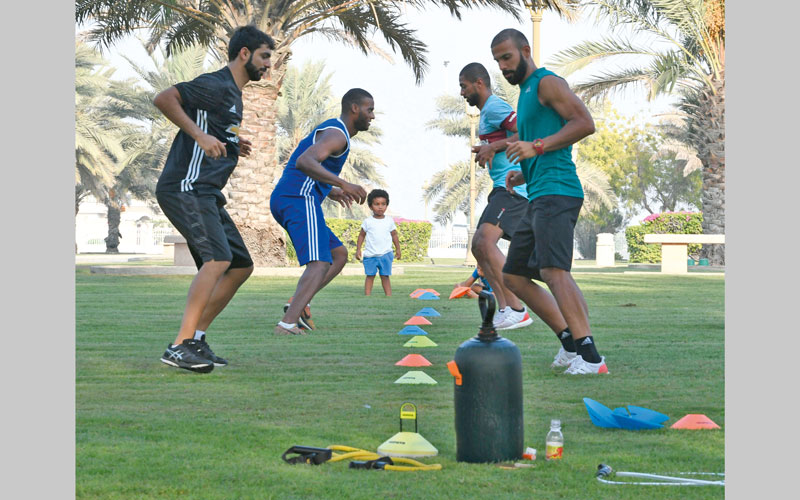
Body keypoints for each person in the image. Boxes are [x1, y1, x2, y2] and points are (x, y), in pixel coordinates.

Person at [155, 26, 274, 373]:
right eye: (265, 56)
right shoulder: (216, 84)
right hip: (186, 186)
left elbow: (215, 127)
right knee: (218, 259)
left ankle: (196, 339)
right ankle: (179, 346)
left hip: (207, 192)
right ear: (244, 53)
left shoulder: (233, 94)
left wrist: (234, 143)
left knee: (240, 265)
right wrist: (200, 136)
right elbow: (164, 98)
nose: (269, 65)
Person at [490, 28, 609, 374]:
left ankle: (590, 357)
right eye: (498, 61)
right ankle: (570, 343)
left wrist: (536, 147)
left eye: (507, 57)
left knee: (554, 271)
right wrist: (524, 172)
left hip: (558, 191)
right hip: (539, 192)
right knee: (513, 275)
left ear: (525, 51)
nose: (503, 66)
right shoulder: (525, 94)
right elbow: (540, 145)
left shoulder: (547, 83)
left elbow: (584, 123)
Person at [270, 89, 374, 335]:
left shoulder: (335, 131)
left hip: (290, 196)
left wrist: (329, 190)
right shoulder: (337, 135)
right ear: (355, 108)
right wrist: (343, 183)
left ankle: (299, 303)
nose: (372, 116)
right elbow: (304, 162)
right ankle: (287, 324)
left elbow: (305, 167)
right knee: (319, 262)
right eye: (369, 110)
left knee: (338, 255)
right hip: (297, 198)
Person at [459, 62, 532, 331]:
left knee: (484, 242)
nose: (462, 93)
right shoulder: (486, 113)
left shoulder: (494, 107)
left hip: (513, 189)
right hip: (501, 189)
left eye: (464, 86)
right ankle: (506, 309)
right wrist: (488, 150)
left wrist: (495, 147)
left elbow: (527, 131)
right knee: (479, 247)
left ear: (479, 83)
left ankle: (517, 308)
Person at [355, 189, 401, 296]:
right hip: (370, 255)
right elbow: (361, 235)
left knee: (385, 276)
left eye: (383, 204)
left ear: (386, 205)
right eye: (377, 204)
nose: (380, 207)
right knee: (370, 276)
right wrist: (358, 249)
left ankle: (388, 296)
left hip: (386, 254)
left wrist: (398, 249)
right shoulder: (367, 222)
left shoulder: (389, 221)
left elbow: (394, 235)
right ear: (371, 206)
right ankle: (367, 296)